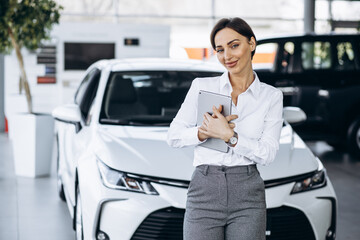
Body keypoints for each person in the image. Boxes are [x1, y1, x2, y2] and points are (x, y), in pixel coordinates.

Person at [167, 17, 283, 240]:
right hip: (204, 189)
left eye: (234, 45)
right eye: (220, 50)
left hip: (248, 193)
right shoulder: (202, 86)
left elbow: (268, 154)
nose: (227, 56)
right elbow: (174, 136)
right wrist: (203, 132)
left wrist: (230, 137)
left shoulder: (271, 97)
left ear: (251, 44)